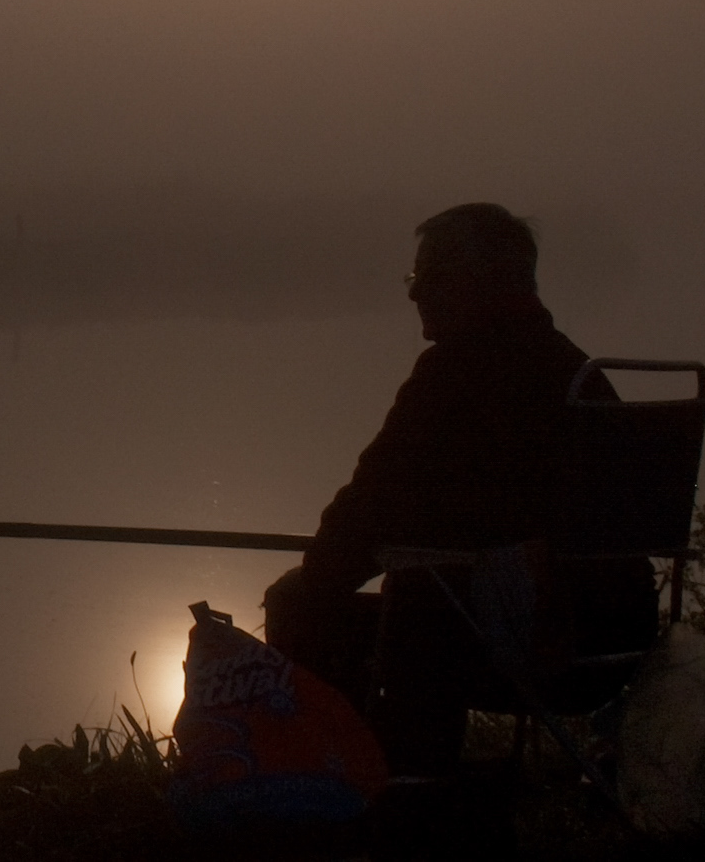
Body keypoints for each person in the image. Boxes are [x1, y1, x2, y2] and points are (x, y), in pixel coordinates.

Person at [263, 203, 658, 776]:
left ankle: (369, 788)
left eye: (429, 276)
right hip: (617, 642)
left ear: (479, 282)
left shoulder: (451, 378)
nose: (414, 293)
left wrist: (322, 574)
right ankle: (406, 786)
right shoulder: (578, 374)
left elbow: (363, 515)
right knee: (432, 587)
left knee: (309, 600)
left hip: (524, 648)